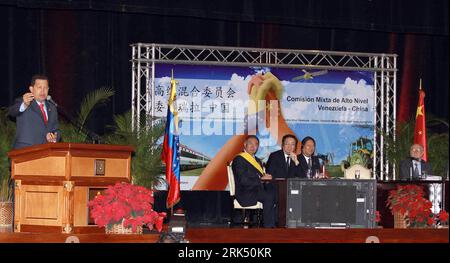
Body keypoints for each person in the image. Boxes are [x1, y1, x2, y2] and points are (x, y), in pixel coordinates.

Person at [231, 135, 276, 228]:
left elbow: (261, 177)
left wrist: (267, 177)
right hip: (246, 192)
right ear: (245, 144)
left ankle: (276, 223)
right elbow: (243, 180)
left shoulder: (258, 160)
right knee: (269, 197)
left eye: (256, 144)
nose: (253, 146)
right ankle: (269, 227)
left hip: (257, 189)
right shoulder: (239, 159)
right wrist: (261, 179)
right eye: (250, 143)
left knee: (276, 193)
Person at [8, 74, 60, 149]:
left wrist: (54, 137)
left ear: (48, 89)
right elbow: (11, 112)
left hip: (46, 151)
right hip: (25, 150)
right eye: (39, 87)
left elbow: (56, 130)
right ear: (31, 89)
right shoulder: (23, 102)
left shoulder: (52, 107)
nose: (43, 91)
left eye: (45, 88)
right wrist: (24, 104)